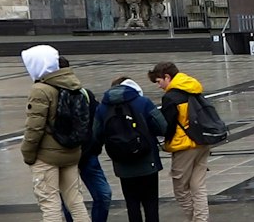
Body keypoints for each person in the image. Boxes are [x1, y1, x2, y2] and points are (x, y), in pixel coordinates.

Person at [20, 45, 91, 222]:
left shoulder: (41, 90)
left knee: (49, 203)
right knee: (75, 201)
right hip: (71, 152)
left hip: (46, 156)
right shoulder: (72, 84)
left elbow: (34, 128)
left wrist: (28, 153)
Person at [93, 76, 168, 222]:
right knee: (151, 203)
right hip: (147, 161)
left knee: (132, 203)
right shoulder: (143, 102)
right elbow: (162, 127)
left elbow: (95, 135)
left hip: (122, 163)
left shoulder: (103, 107)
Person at [149, 61, 212, 222]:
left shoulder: (171, 97)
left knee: (181, 189)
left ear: (167, 77)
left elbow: (168, 126)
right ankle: (201, 219)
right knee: (198, 187)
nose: (159, 86)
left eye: (159, 81)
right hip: (203, 141)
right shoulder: (194, 88)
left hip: (184, 146)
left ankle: (193, 219)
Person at [54, 56, 112, 222]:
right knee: (68, 198)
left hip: (87, 155)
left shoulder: (84, 94)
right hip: (63, 157)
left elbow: (98, 122)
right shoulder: (49, 96)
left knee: (104, 194)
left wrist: (94, 146)